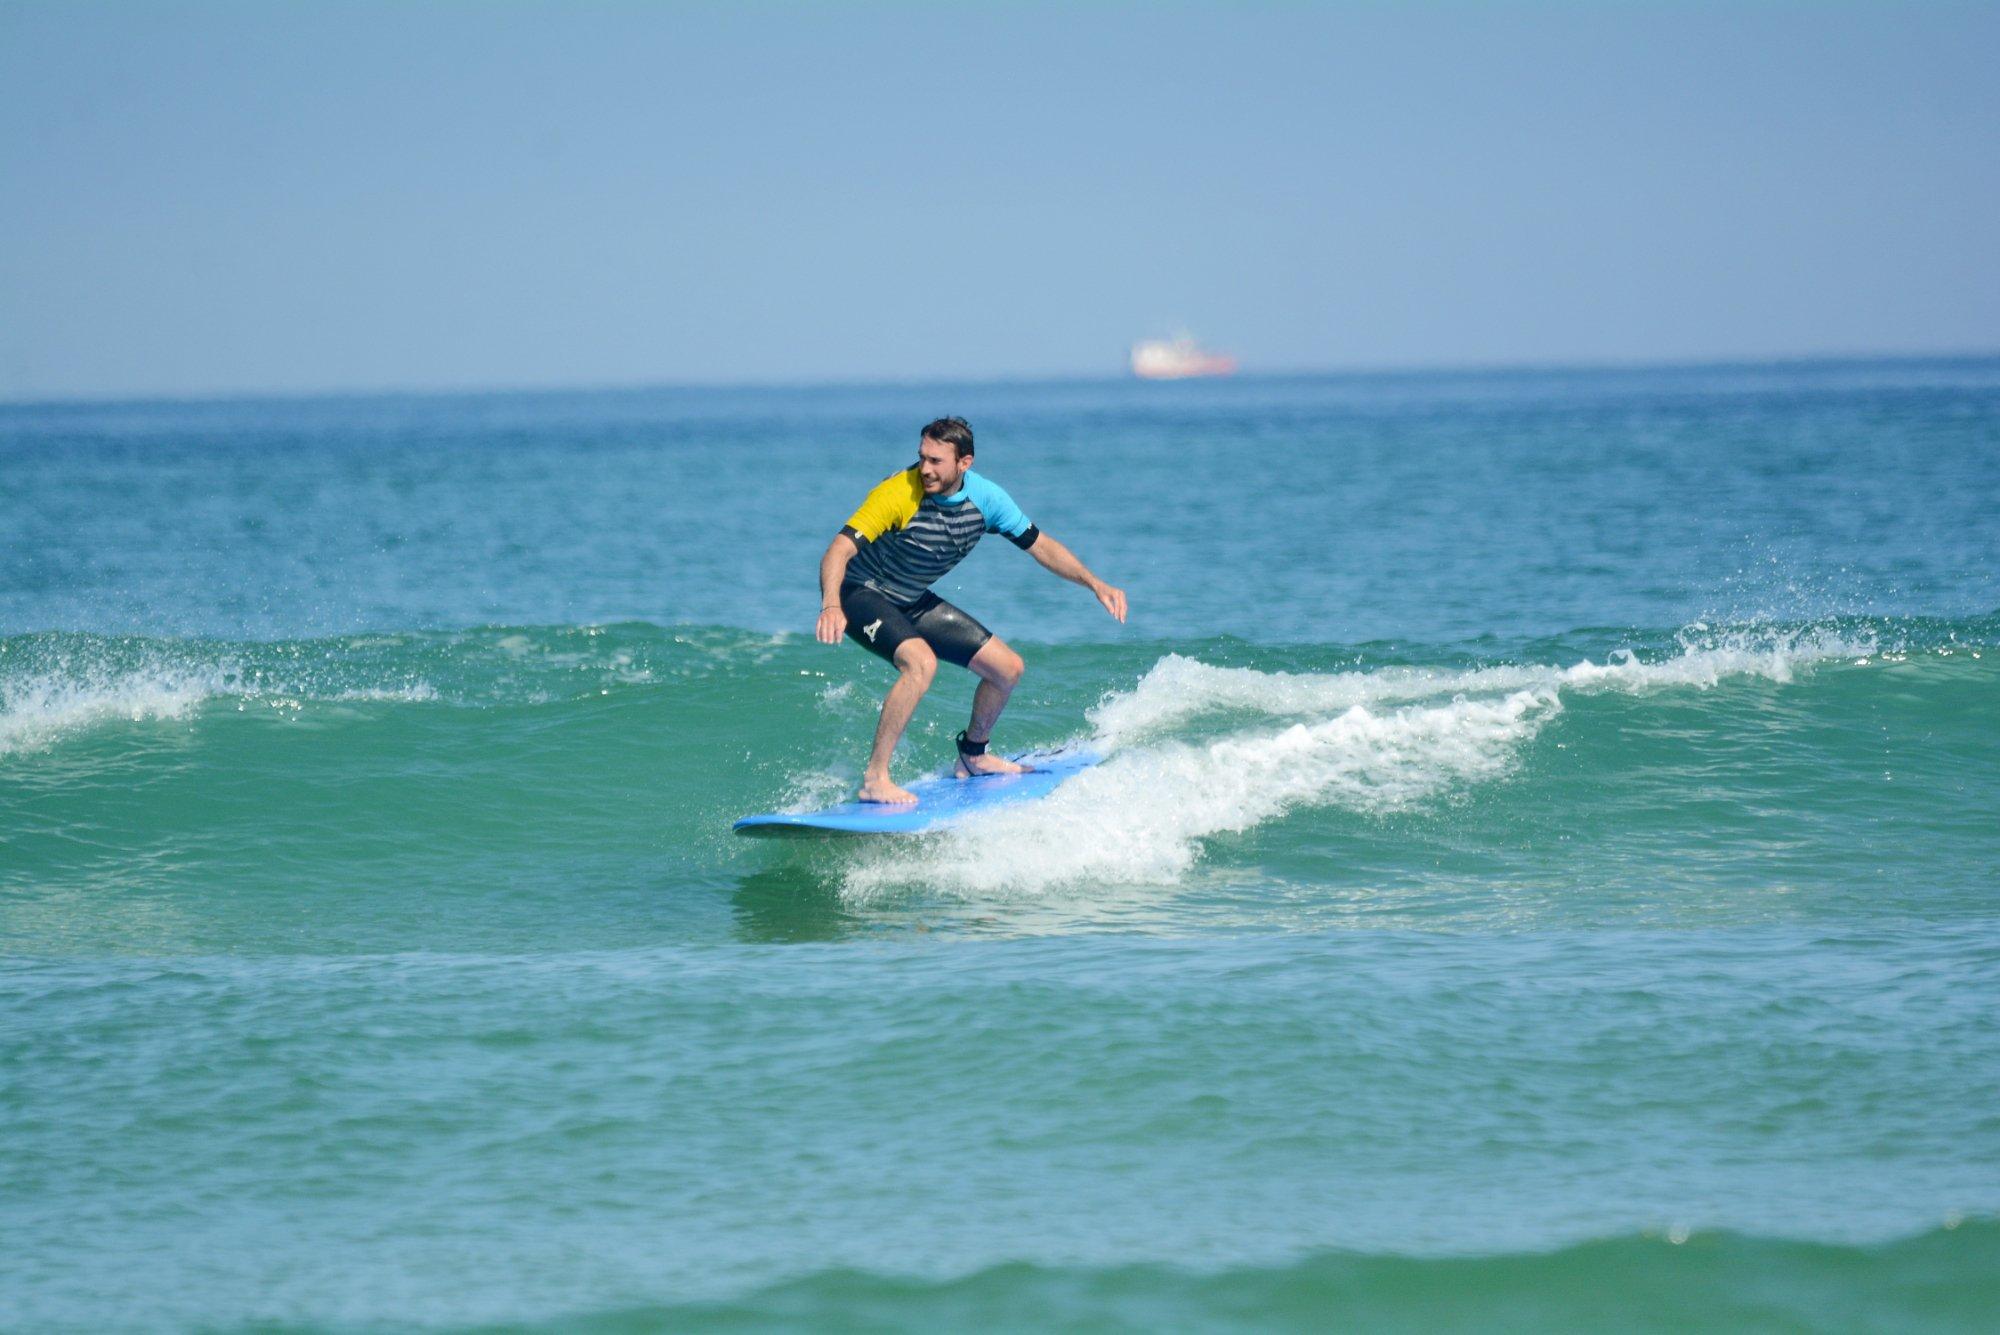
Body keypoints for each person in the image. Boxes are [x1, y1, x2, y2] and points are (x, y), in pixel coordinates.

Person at [816, 417, 1127, 804]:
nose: (925, 469)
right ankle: (875, 778)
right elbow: (839, 549)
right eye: (921, 458)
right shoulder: (897, 494)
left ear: (965, 463)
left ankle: (973, 756)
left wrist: (1094, 583)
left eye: (936, 461)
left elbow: (1041, 545)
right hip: (859, 592)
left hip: (910, 596)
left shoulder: (987, 499)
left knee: (1007, 668)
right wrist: (831, 604)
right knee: (920, 663)